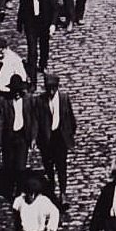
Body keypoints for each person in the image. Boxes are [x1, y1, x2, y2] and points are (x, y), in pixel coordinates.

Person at [35, 74, 76, 208]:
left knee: (61, 167)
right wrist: (36, 138)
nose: (51, 91)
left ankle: (63, 193)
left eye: (53, 88)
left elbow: (71, 117)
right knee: (48, 166)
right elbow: (37, 121)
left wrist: (69, 135)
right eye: (48, 88)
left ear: (57, 87)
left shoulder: (64, 98)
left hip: (60, 138)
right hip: (46, 139)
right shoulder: (40, 101)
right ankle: (51, 188)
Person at [16, 0, 58, 89]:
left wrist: (53, 24)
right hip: (31, 24)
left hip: (44, 23)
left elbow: (55, 8)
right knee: (32, 51)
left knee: (44, 46)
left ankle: (43, 63)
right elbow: (22, 7)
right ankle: (33, 81)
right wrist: (20, 23)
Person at [0, 74, 37, 198]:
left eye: (19, 91)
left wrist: (33, 137)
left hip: (22, 136)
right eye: (14, 91)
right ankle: (10, 185)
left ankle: (19, 189)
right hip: (9, 137)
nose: (17, 94)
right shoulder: (4, 102)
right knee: (8, 164)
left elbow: (33, 119)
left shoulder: (29, 100)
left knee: (21, 166)